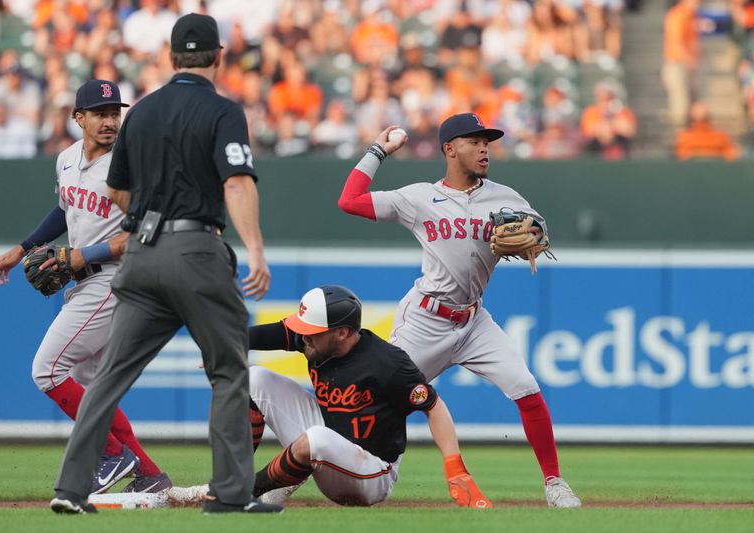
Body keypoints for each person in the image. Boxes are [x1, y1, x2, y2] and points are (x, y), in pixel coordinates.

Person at [49, 14, 280, 515]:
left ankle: (70, 491)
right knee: (227, 373)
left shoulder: (143, 112)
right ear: (219, 56)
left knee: (108, 377)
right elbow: (237, 182)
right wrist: (256, 249)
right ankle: (231, 496)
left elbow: (115, 188)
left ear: (172, 57)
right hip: (196, 250)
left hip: (142, 256)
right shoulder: (223, 112)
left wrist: (149, 213)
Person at [337, 113, 582, 508]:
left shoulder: (506, 197)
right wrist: (377, 151)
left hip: (473, 321)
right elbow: (348, 201)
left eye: (487, 141)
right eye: (474, 141)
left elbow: (539, 230)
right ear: (450, 149)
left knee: (527, 388)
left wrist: (534, 233)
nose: (484, 148)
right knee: (377, 403)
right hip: (425, 320)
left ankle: (554, 483)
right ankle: (308, 469)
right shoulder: (418, 198)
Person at [0, 80, 170, 495]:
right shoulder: (66, 158)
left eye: (115, 112)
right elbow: (66, 208)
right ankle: (151, 475)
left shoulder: (132, 164)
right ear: (77, 118)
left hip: (118, 279)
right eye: (100, 113)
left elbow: (148, 232)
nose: (110, 121)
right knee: (94, 390)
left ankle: (114, 456)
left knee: (47, 370)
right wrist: (23, 248)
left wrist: (86, 254)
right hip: (86, 282)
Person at [247, 285, 491, 508]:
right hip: (328, 441)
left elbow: (434, 406)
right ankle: (240, 478)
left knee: (317, 438)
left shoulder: (388, 364)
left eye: (311, 331)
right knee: (253, 378)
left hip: (372, 471)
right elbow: (264, 335)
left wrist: (454, 467)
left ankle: (244, 491)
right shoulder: (318, 340)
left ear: (342, 333)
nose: (303, 336)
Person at [674, 101, 740, 161]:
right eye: (697, 112)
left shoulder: (720, 136)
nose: (699, 115)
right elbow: (681, 154)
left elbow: (730, 153)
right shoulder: (685, 137)